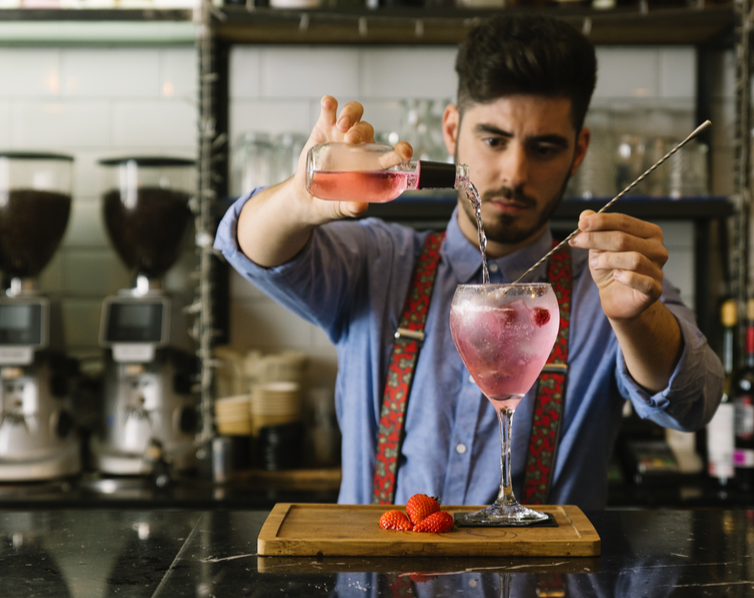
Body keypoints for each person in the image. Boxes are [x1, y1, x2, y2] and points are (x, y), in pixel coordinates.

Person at [215, 15, 723, 509]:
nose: (514, 173)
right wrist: (298, 199)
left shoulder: (610, 286)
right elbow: (247, 247)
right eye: (493, 140)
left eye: (544, 148)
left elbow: (694, 403)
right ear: (452, 129)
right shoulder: (378, 262)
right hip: (373, 566)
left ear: (578, 151)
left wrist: (637, 322)